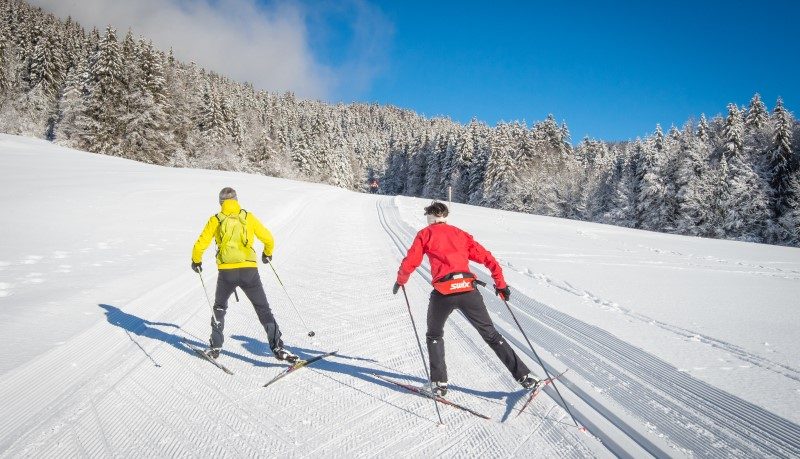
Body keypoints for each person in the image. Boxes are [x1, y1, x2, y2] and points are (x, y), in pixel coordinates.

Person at [392, 201, 540, 396]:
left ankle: (438, 384)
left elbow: (411, 261)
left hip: (443, 294)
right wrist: (501, 284)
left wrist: (401, 280)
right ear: (446, 218)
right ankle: (525, 376)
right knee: (491, 335)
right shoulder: (460, 234)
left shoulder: (425, 234)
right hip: (468, 291)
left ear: (429, 218)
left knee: (434, 335)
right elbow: (488, 258)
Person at [191, 187, 298, 363]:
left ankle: (215, 347)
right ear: (237, 200)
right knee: (263, 308)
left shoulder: (216, 219)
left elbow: (200, 244)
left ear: (221, 202)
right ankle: (277, 347)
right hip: (249, 271)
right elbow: (268, 238)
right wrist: (267, 253)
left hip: (227, 272)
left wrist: (196, 261)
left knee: (219, 307)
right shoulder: (248, 217)